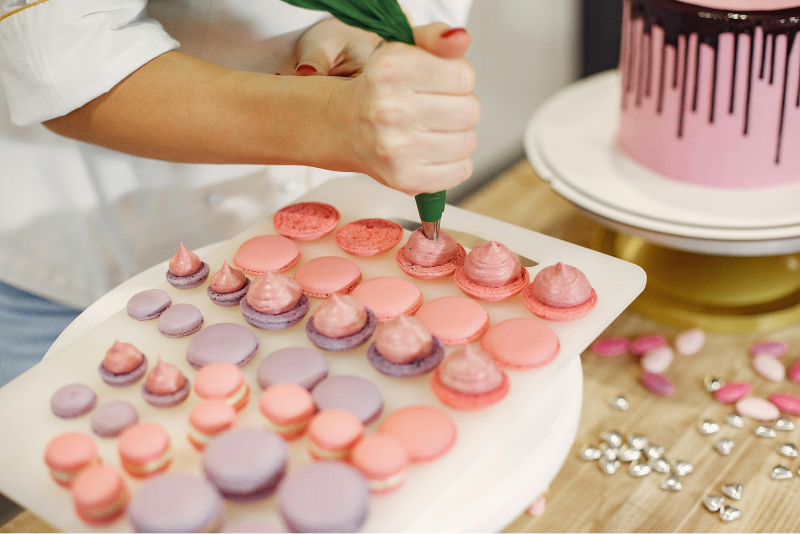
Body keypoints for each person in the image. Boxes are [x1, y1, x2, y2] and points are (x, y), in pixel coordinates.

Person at [0, 0, 479, 385]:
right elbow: (61, 57)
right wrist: (323, 120)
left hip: (301, 260)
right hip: (69, 267)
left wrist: (374, 28)